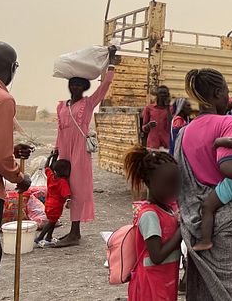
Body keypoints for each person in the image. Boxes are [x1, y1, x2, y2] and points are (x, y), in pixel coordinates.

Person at [176, 68, 232, 299]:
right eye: (227, 90)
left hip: (200, 221)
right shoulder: (228, 123)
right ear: (218, 93)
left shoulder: (185, 131)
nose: (229, 96)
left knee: (210, 292)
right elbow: (230, 167)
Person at [53, 46, 116, 248]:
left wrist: (111, 61)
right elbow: (60, 130)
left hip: (80, 151)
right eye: (73, 85)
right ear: (69, 86)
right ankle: (64, 229)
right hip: (64, 151)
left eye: (80, 85)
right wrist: (55, 152)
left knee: (78, 189)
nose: (76, 88)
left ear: (84, 87)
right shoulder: (62, 106)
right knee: (63, 188)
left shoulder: (88, 104)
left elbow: (105, 85)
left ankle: (75, 232)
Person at [124, 146, 182, 301]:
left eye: (176, 183)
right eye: (168, 184)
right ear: (149, 182)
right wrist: (182, 230)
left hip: (164, 282)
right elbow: (156, 256)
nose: (174, 189)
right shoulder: (150, 215)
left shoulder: (168, 209)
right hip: (151, 287)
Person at [0, 41, 33, 276]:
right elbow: (1, 158)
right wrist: (20, 178)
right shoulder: (3, 99)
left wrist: (10, 148)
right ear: (11, 68)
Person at [35, 153, 71, 247]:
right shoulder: (62, 182)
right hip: (56, 206)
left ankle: (48, 237)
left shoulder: (51, 177)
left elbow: (47, 167)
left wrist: (51, 157)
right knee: (51, 223)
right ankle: (40, 237)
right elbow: (66, 194)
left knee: (53, 221)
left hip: (48, 203)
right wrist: (68, 201)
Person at [142, 85, 172, 150]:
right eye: (161, 93)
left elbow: (171, 126)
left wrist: (167, 107)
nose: (163, 95)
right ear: (157, 95)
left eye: (165, 93)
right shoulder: (149, 108)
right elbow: (144, 128)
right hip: (153, 145)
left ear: (168, 95)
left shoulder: (171, 109)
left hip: (166, 145)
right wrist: (148, 125)